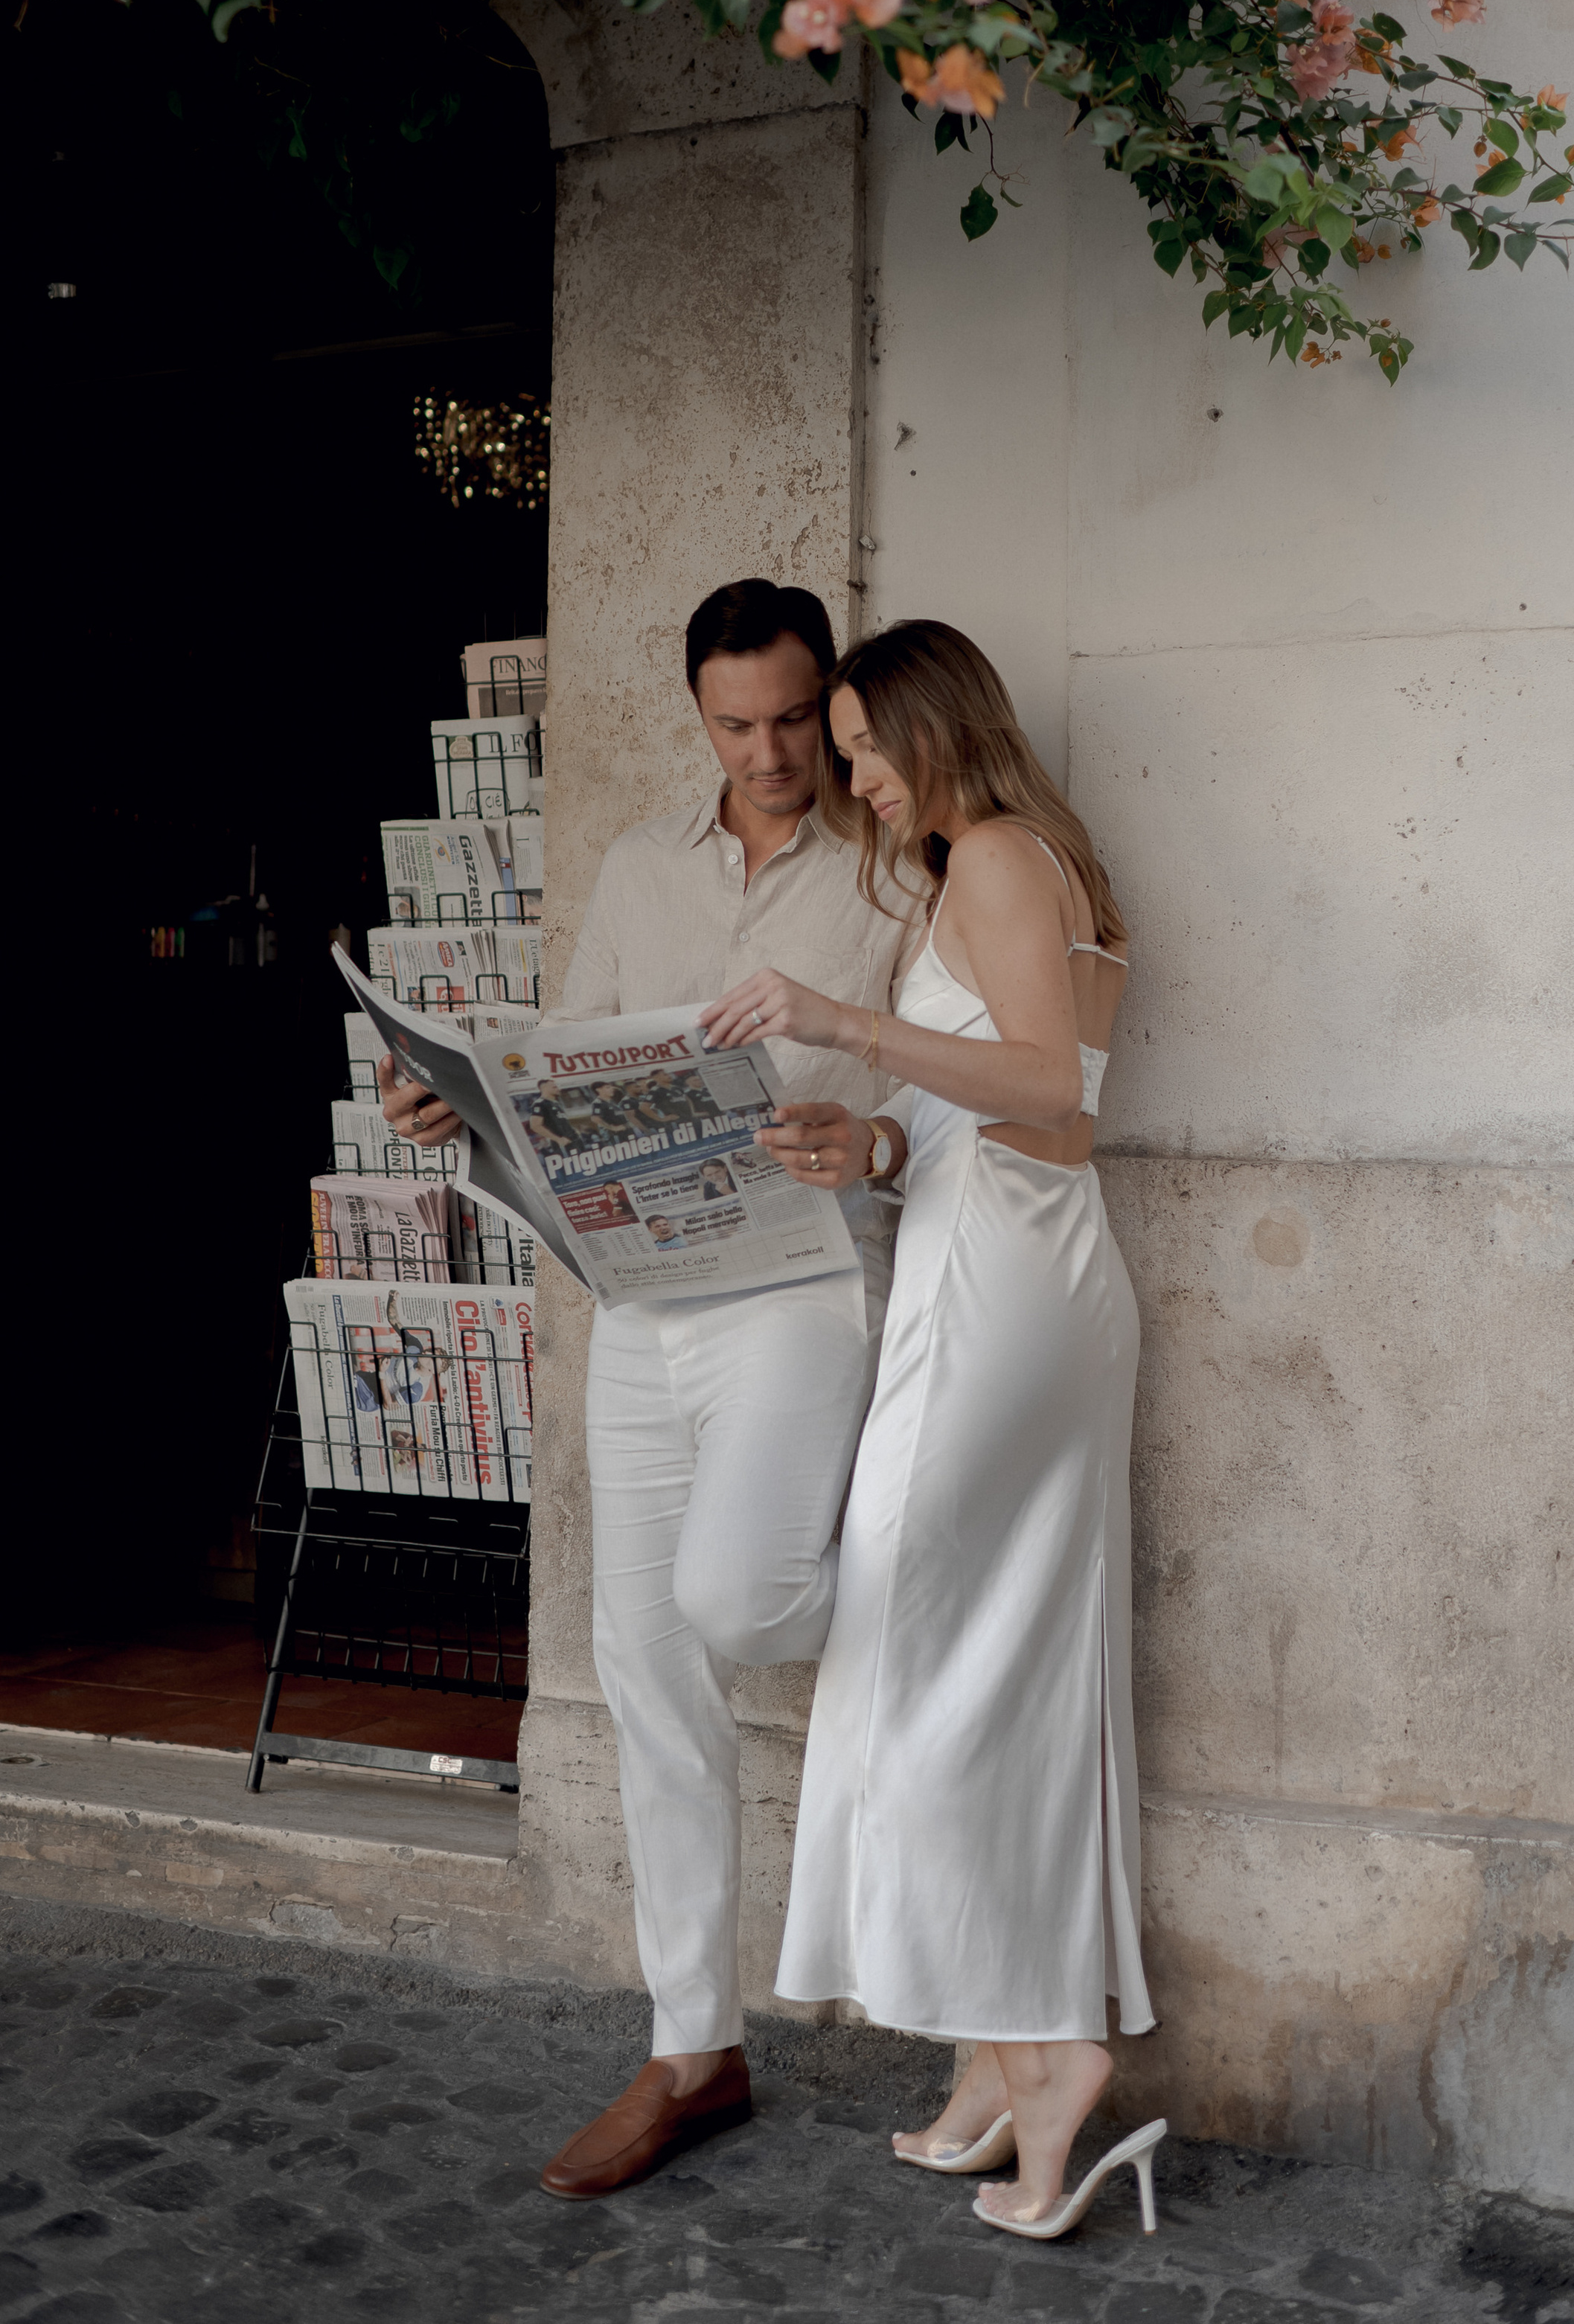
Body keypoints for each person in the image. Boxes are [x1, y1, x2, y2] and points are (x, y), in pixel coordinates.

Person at [378, 580, 917, 2197]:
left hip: (803, 1286)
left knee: (740, 1606)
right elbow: (575, 1070)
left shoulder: (899, 865)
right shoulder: (634, 862)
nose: (766, 753)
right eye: (732, 723)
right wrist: (462, 1116)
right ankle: (694, 2043)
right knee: (642, 1662)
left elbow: (956, 1087)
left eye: (788, 719)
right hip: (642, 1301)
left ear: (828, 697)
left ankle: (961, 1592)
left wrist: (873, 1141)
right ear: (697, 712)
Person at [701, 618, 1165, 2245]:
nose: (855, 777)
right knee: (998, 1670)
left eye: (867, 743)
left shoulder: (998, 860)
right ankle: (993, 2053)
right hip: (1014, 1264)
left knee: (906, 1645)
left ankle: (1047, 2062)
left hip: (1000, 1295)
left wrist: (849, 1016)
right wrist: (873, 1143)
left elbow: (1051, 1090)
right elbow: (997, 1110)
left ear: (935, 724)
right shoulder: (1005, 864)